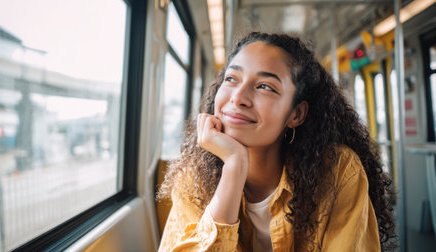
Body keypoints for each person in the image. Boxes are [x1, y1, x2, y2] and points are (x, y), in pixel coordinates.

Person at [157, 32, 396, 251]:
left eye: (264, 87)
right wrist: (234, 166)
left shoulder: (337, 170)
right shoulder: (193, 177)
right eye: (231, 79)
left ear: (296, 114)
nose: (238, 97)